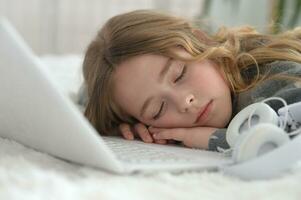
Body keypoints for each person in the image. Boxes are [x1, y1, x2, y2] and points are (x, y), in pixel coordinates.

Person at [77, 9, 301, 152]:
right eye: (158, 110)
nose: (185, 101)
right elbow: (87, 94)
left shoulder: (273, 75)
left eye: (179, 75)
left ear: (201, 41)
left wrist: (210, 139)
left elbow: (285, 138)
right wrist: (120, 124)